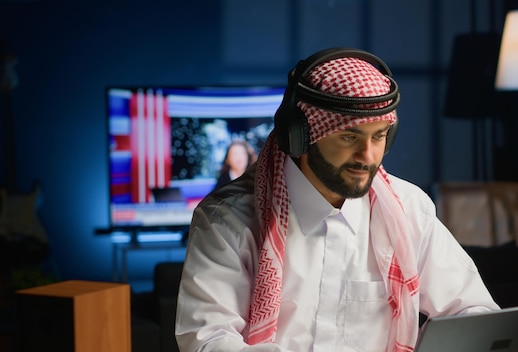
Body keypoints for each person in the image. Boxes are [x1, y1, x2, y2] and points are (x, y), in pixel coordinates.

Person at [175, 47, 500, 352]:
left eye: (379, 136)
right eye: (349, 137)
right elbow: (209, 340)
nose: (368, 156)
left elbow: (473, 312)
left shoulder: (410, 209)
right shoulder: (226, 219)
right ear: (300, 135)